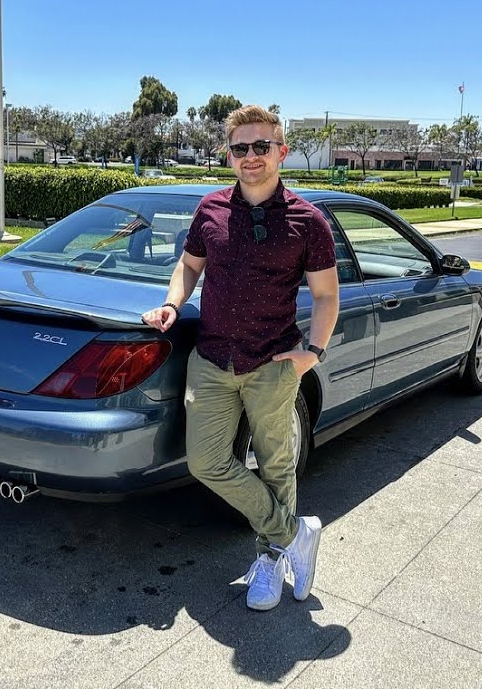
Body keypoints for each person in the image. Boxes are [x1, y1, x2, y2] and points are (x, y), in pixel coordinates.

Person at [141, 105, 340, 610]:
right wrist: (171, 304)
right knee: (208, 462)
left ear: (281, 151)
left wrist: (311, 353)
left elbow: (325, 296)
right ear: (228, 155)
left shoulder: (307, 220)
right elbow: (188, 268)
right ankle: (296, 534)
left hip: (274, 363)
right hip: (211, 361)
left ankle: (271, 558)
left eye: (261, 146)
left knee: (276, 466)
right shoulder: (209, 210)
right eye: (240, 148)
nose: (250, 156)